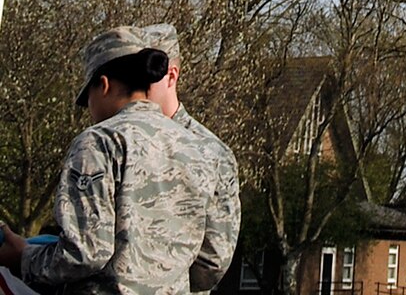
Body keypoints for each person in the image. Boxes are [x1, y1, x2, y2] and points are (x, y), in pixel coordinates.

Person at [0, 29, 236, 295]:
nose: (88, 108)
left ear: (103, 84)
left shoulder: (99, 141)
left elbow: (86, 252)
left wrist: (24, 257)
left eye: (87, 97)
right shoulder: (201, 149)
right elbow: (212, 259)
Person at [139, 26, 240, 291]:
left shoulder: (210, 152)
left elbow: (213, 260)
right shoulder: (116, 142)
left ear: (171, 75)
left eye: (145, 75)